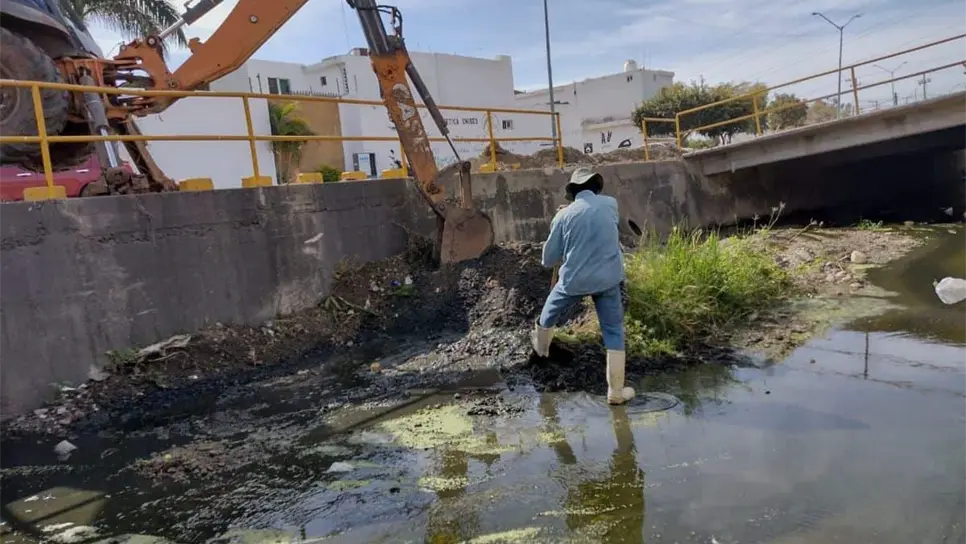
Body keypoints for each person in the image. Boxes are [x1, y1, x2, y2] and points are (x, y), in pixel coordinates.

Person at [532, 167, 635, 405]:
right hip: (608, 279)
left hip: (574, 281)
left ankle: (542, 351)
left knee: (549, 313)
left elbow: (548, 260)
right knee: (613, 330)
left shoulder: (563, 216)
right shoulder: (610, 204)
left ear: (572, 191)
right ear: (595, 187)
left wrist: (559, 221)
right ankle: (616, 393)